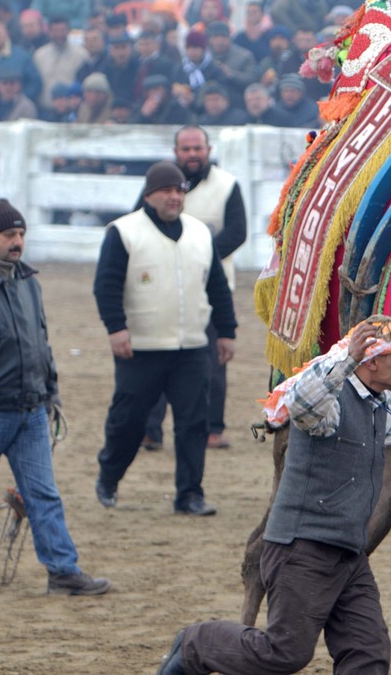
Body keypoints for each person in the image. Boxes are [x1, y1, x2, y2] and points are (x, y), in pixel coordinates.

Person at [155, 318, 391, 674]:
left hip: (348, 555)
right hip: (302, 551)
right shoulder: (329, 405)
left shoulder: (378, 404)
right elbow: (303, 401)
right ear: (371, 363)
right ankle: (193, 645)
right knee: (285, 652)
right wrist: (347, 358)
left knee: (367, 653)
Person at [92, 162, 237, 516]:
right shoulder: (123, 232)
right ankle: (109, 474)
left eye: (180, 190)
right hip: (141, 348)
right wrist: (116, 328)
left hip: (191, 347)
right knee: (129, 421)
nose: (175, 197)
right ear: (149, 195)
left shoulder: (200, 233)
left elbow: (217, 286)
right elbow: (106, 285)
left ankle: (189, 495)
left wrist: (227, 331)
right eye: (167, 190)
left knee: (193, 423)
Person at [0, 199, 111, 597]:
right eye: (8, 234)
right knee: (43, 494)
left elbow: (40, 343)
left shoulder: (29, 282)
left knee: (43, 494)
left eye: (21, 234)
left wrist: (50, 391)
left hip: (31, 409)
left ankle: (62, 571)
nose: (17, 241)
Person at [142, 126, 246, 453]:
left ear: (208, 149)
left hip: (213, 287)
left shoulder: (228, 185)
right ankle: (151, 430)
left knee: (214, 359)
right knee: (158, 354)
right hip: (164, 286)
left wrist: (197, 257)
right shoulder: (159, 185)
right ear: (175, 152)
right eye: (185, 149)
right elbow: (140, 222)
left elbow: (237, 233)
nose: (192, 154)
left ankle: (213, 429)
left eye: (197, 148)